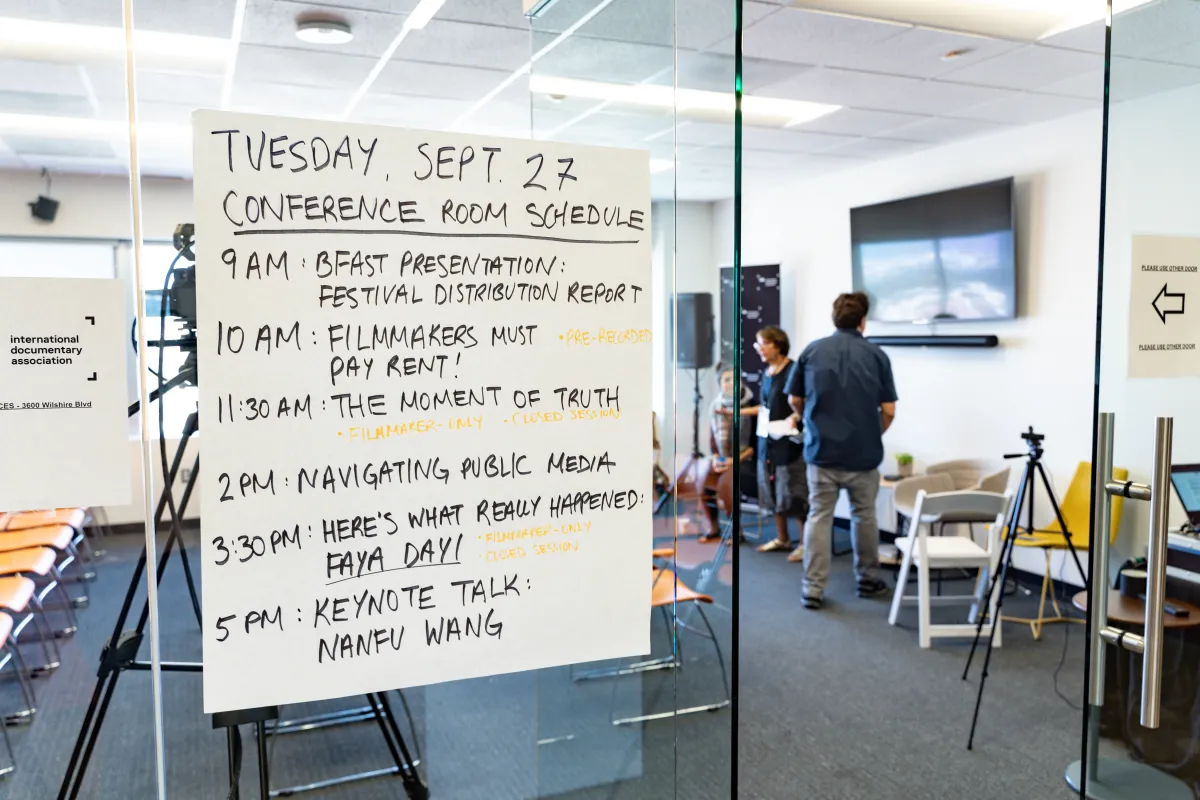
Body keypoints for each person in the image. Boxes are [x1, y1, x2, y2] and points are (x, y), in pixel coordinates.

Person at [787, 292, 897, 609]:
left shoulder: (812, 351)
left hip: (821, 452)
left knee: (820, 517)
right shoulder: (877, 356)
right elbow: (888, 409)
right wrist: (874, 433)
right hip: (864, 455)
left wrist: (808, 418)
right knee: (864, 517)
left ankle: (813, 589)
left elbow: (794, 400)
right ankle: (868, 580)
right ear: (863, 321)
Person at [748, 327, 807, 562]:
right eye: (757, 345)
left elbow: (802, 403)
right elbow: (765, 408)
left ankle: (804, 544)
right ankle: (782, 538)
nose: (760, 349)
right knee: (770, 491)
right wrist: (737, 412)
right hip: (766, 440)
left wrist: (797, 417)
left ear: (778, 344)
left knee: (795, 493)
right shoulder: (768, 372)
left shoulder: (794, 370)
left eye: (764, 344)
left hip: (789, 443)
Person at [701, 366, 755, 541]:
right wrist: (718, 458)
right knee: (703, 478)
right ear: (719, 384)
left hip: (748, 460)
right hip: (726, 458)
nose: (730, 383)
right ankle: (713, 527)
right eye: (726, 380)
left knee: (727, 482)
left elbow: (756, 444)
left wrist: (734, 461)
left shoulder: (751, 406)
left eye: (734, 379)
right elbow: (713, 441)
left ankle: (736, 531)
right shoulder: (715, 406)